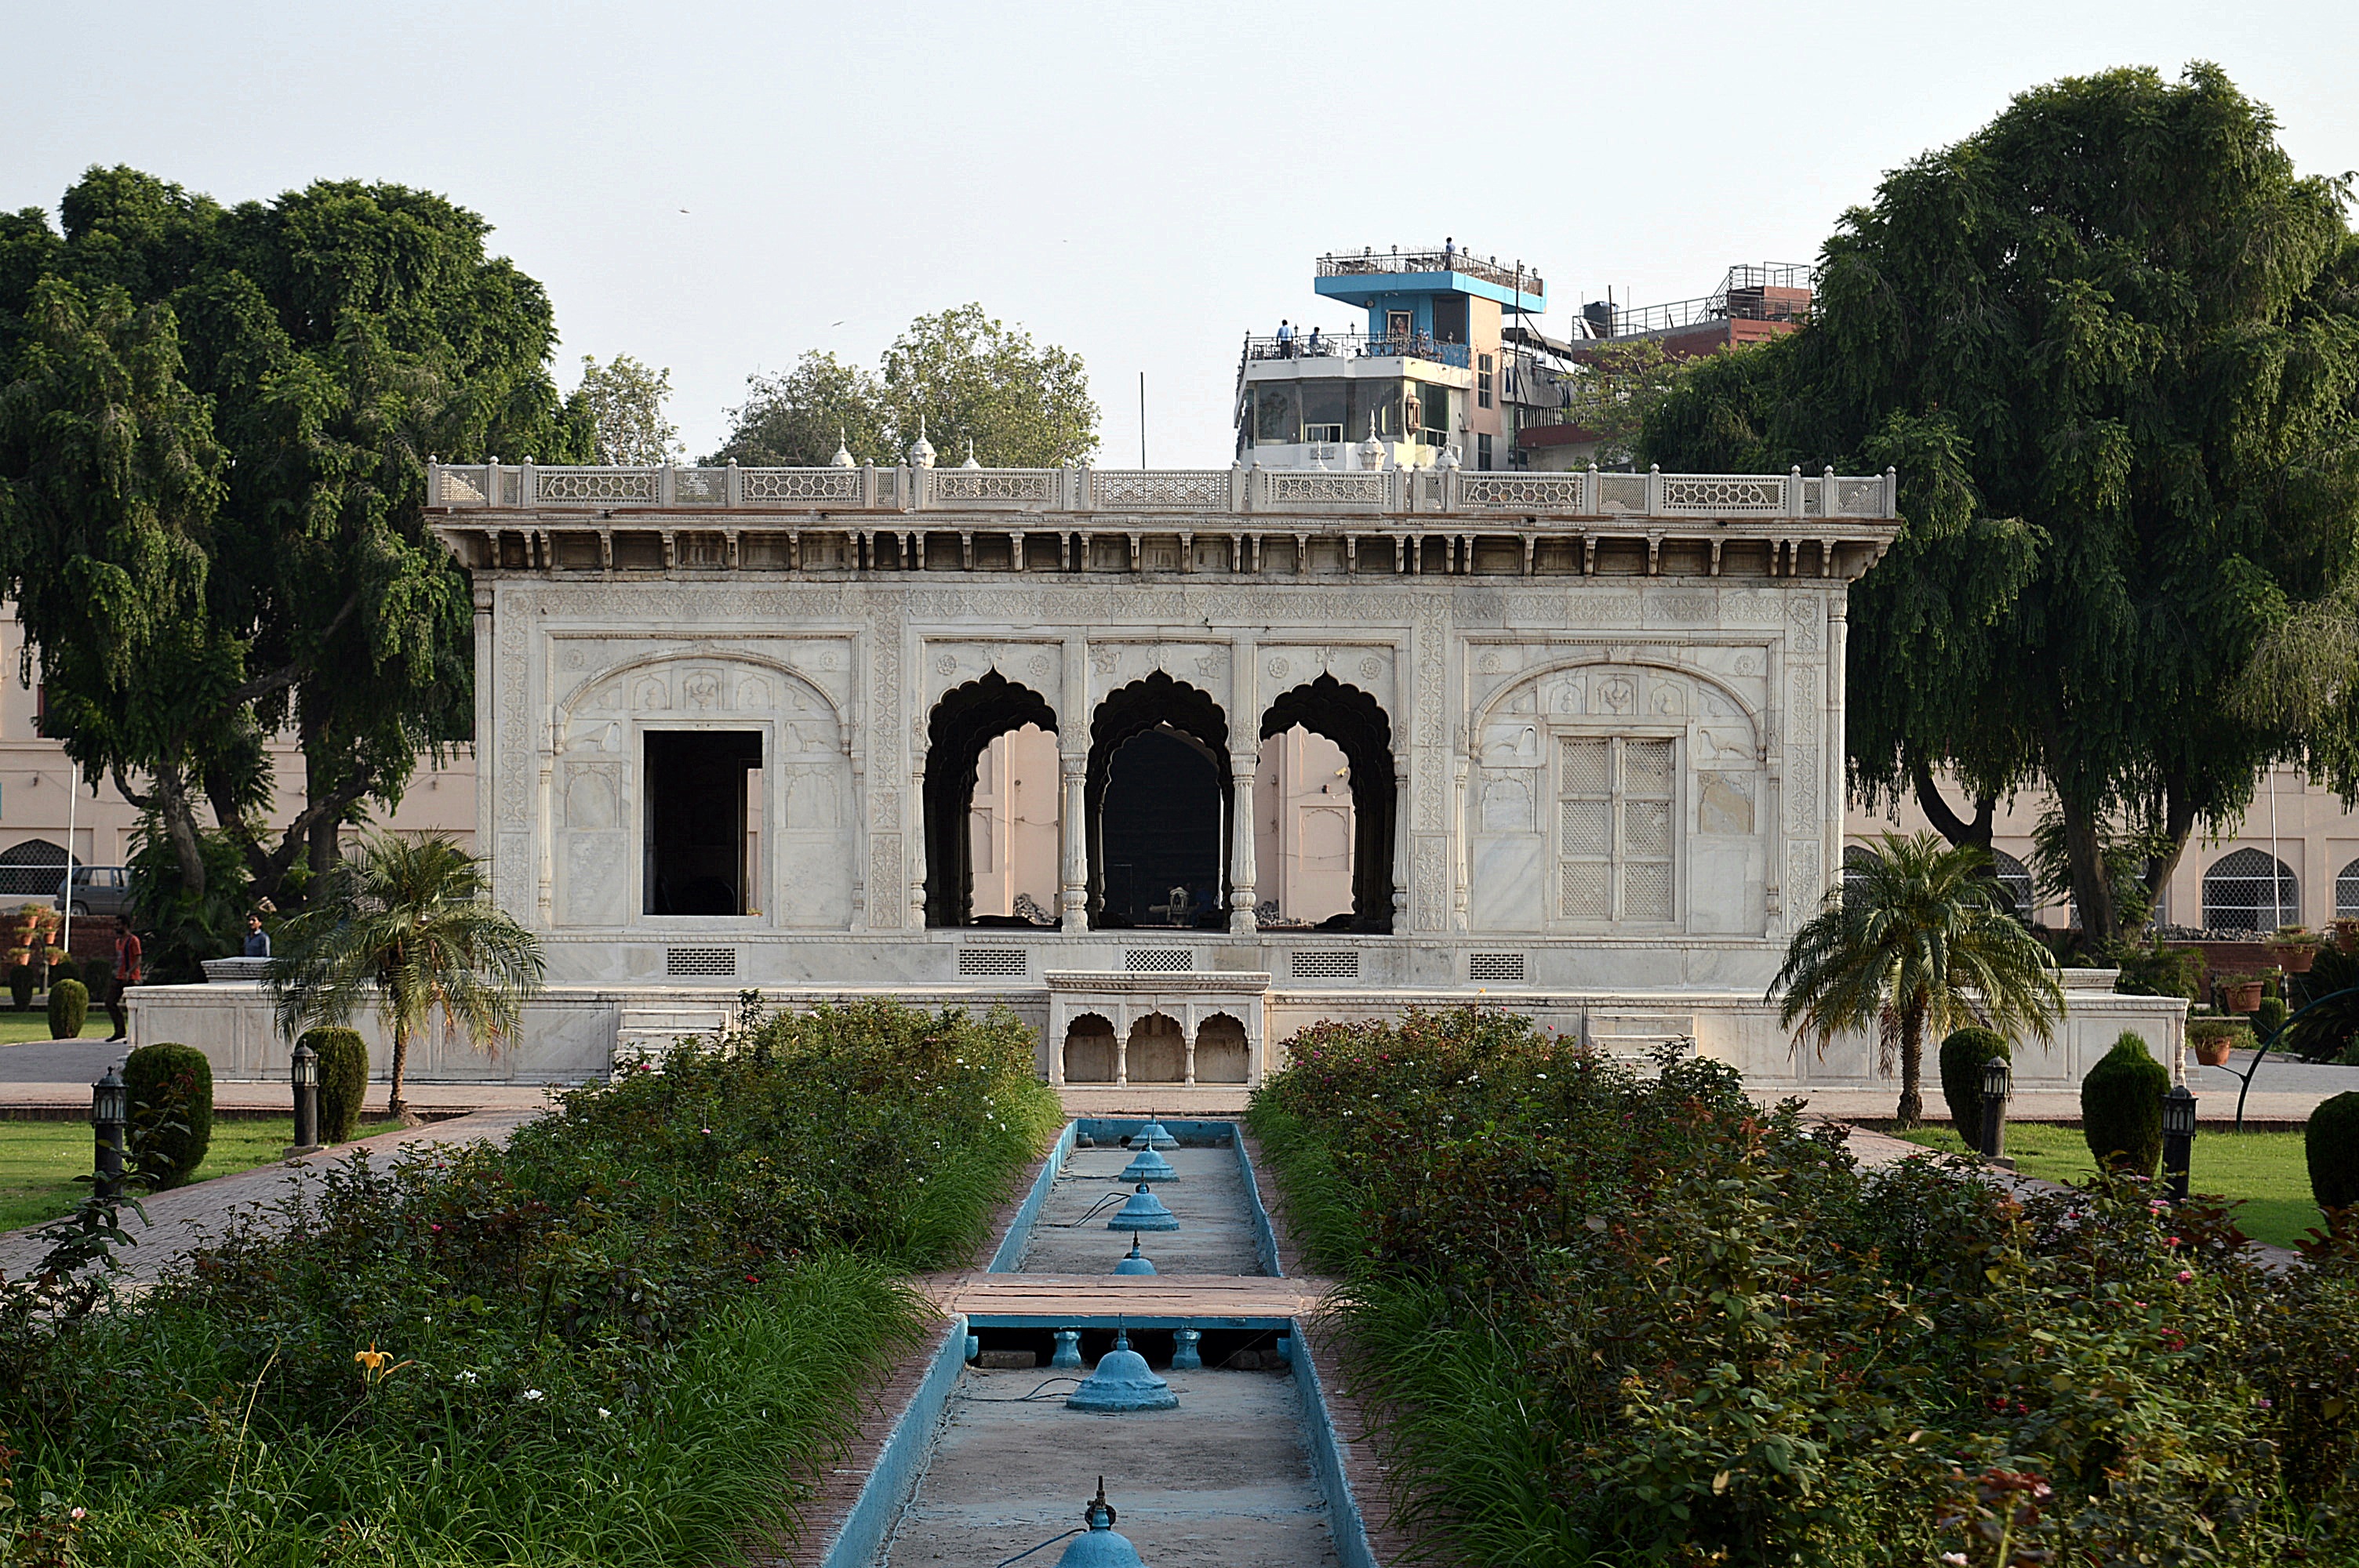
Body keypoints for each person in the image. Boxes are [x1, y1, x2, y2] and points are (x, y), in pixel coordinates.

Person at [106, 919, 142, 1043]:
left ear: (125, 926)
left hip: (131, 977)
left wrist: (130, 972)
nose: (116, 927)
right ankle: (119, 1031)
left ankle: (134, 1035)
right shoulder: (118, 942)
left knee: (132, 1007)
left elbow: (138, 959)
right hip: (119, 976)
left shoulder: (133, 940)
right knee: (110, 1002)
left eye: (118, 925)